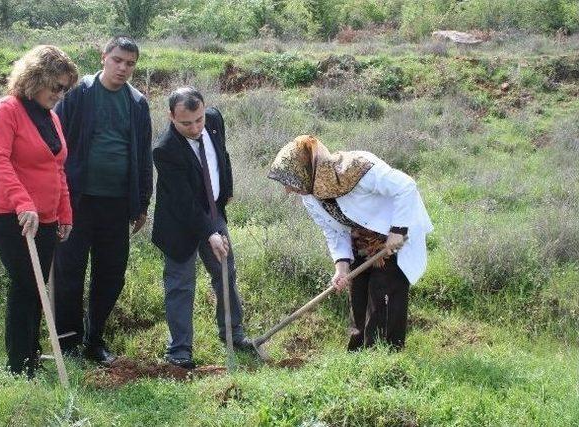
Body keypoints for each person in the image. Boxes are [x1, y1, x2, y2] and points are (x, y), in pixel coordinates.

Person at [268, 135, 433, 351]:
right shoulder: (310, 196)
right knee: (358, 301)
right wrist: (341, 267)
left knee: (382, 299)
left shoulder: (358, 167)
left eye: (291, 182)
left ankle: (384, 360)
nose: (288, 190)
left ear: (306, 171)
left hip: (393, 238)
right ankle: (357, 358)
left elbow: (406, 186)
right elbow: (333, 231)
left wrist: (398, 231)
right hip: (360, 242)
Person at [53, 36, 153, 365]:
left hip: (116, 204)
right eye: (118, 60)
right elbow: (55, 143)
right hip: (76, 201)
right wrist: (55, 196)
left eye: (130, 63)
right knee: (69, 272)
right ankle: (67, 342)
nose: (123, 68)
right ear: (104, 57)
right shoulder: (79, 94)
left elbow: (142, 155)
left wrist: (142, 203)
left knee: (111, 274)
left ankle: (95, 340)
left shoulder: (137, 103)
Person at [0, 45, 77, 377]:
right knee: (27, 285)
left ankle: (31, 354)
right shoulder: (6, 111)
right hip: (10, 215)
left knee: (37, 289)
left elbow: (58, 167)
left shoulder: (50, 117)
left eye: (65, 89)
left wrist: (64, 212)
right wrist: (24, 203)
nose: (60, 95)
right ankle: (19, 365)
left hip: (47, 218)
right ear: (36, 78)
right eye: (56, 87)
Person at [152, 87, 253, 369]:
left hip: (212, 210)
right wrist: (210, 233)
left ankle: (234, 334)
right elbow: (185, 203)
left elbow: (223, 155)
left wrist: (227, 192)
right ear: (171, 117)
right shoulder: (165, 150)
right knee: (181, 284)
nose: (196, 127)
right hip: (179, 224)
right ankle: (180, 350)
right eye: (187, 123)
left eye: (199, 120)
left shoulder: (214, 120)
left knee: (225, 272)